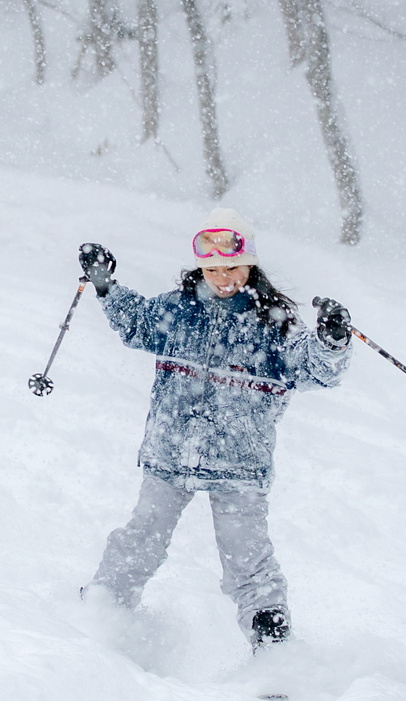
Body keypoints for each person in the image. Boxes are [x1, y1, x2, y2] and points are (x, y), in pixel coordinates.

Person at [77, 208, 353, 651]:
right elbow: (137, 322)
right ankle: (104, 608)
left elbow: (313, 369)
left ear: (251, 266)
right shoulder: (178, 309)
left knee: (246, 558)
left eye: (233, 269)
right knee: (143, 535)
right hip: (171, 449)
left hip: (239, 461)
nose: (223, 279)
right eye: (212, 269)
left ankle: (272, 640)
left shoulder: (273, 322)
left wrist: (331, 341)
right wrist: (106, 287)